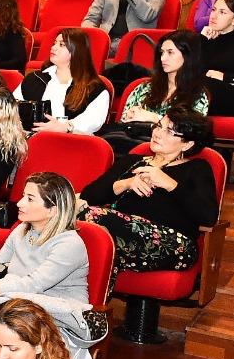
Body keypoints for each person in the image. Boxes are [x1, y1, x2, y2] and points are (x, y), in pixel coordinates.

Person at [0, 173, 99, 359]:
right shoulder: (22, 230)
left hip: (55, 317)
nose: (19, 203)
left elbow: (31, 285)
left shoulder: (69, 244)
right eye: (23, 195)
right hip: (17, 306)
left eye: (30, 198)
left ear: (52, 210)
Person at [81, 110, 219, 272]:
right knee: (78, 224)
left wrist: (170, 184)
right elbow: (88, 196)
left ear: (187, 144)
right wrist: (126, 183)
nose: (158, 133)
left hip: (174, 244)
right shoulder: (132, 161)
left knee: (91, 221)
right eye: (159, 126)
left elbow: (208, 217)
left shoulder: (196, 168)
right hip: (119, 235)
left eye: (169, 131)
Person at [16, 30, 110, 135]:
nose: (53, 47)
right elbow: (12, 107)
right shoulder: (35, 78)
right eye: (54, 43)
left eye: (61, 45)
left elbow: (94, 121)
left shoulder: (94, 87)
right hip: (31, 139)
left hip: (72, 142)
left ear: (77, 51)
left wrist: (66, 126)